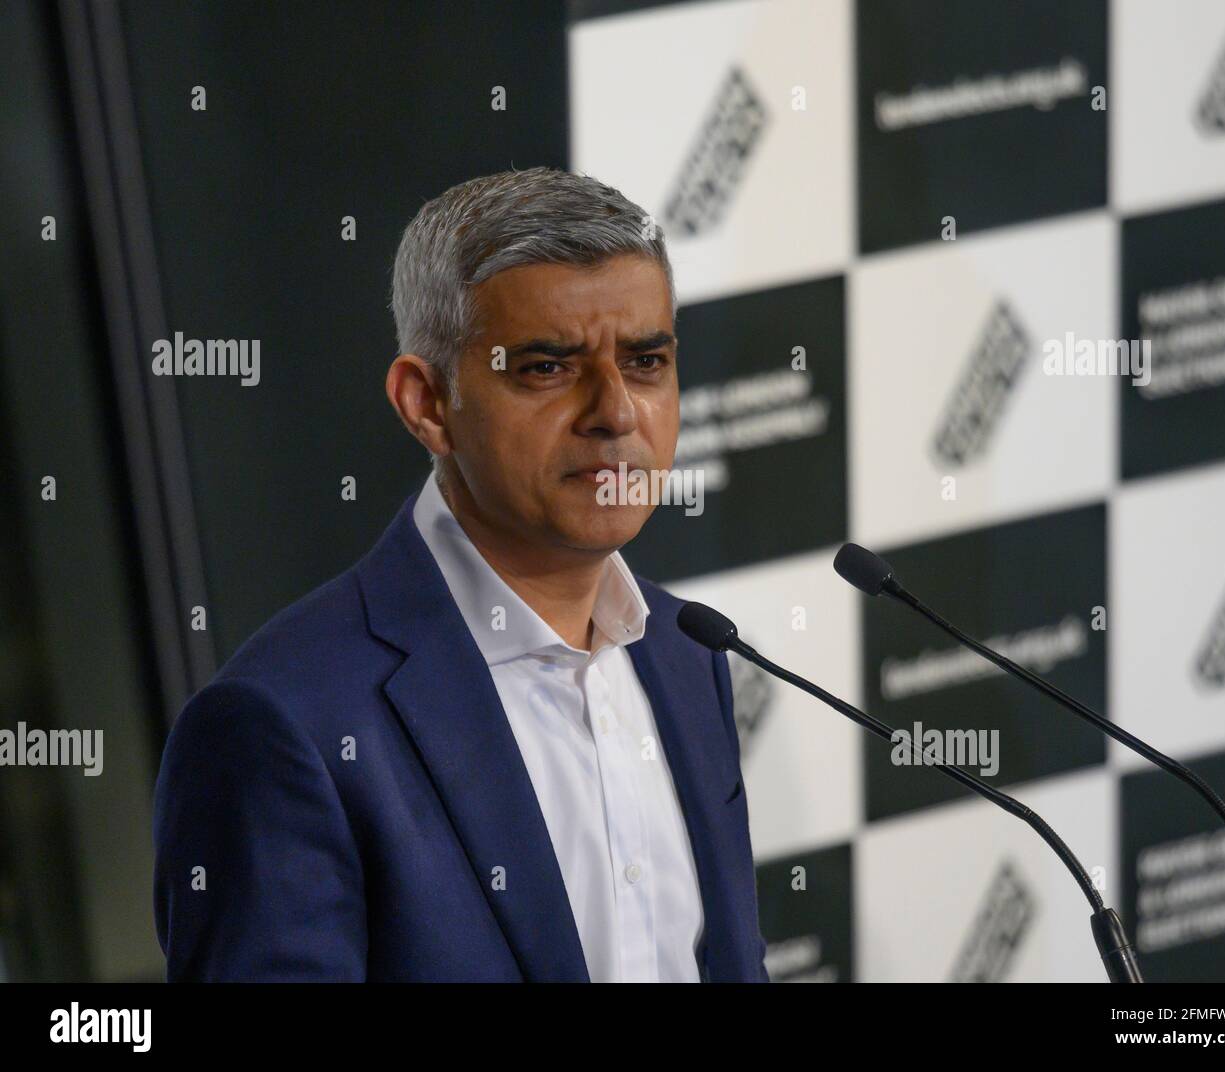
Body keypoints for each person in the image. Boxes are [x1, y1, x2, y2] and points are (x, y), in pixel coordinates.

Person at [152, 167, 769, 982]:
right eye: (547, 368)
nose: (616, 412)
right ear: (427, 403)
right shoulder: (278, 728)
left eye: (647, 361)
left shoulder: (689, 657)